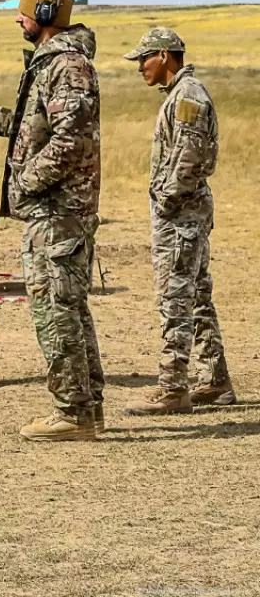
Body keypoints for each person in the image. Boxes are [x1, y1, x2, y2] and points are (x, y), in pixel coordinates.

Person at [0, 0, 106, 441]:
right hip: (53, 210)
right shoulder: (51, 65)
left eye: (24, 11)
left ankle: (72, 413)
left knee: (55, 312)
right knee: (69, 308)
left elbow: (69, 141)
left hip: (58, 212)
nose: (17, 18)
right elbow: (38, 131)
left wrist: (24, 184)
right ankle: (88, 407)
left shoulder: (67, 66)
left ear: (45, 17)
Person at [121, 27, 235, 415]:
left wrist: (166, 202)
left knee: (175, 300)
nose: (140, 67)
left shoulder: (187, 97)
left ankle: (173, 388)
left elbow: (187, 159)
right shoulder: (181, 95)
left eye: (144, 58)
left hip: (181, 217)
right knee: (196, 296)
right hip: (185, 214)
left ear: (165, 56)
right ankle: (214, 380)